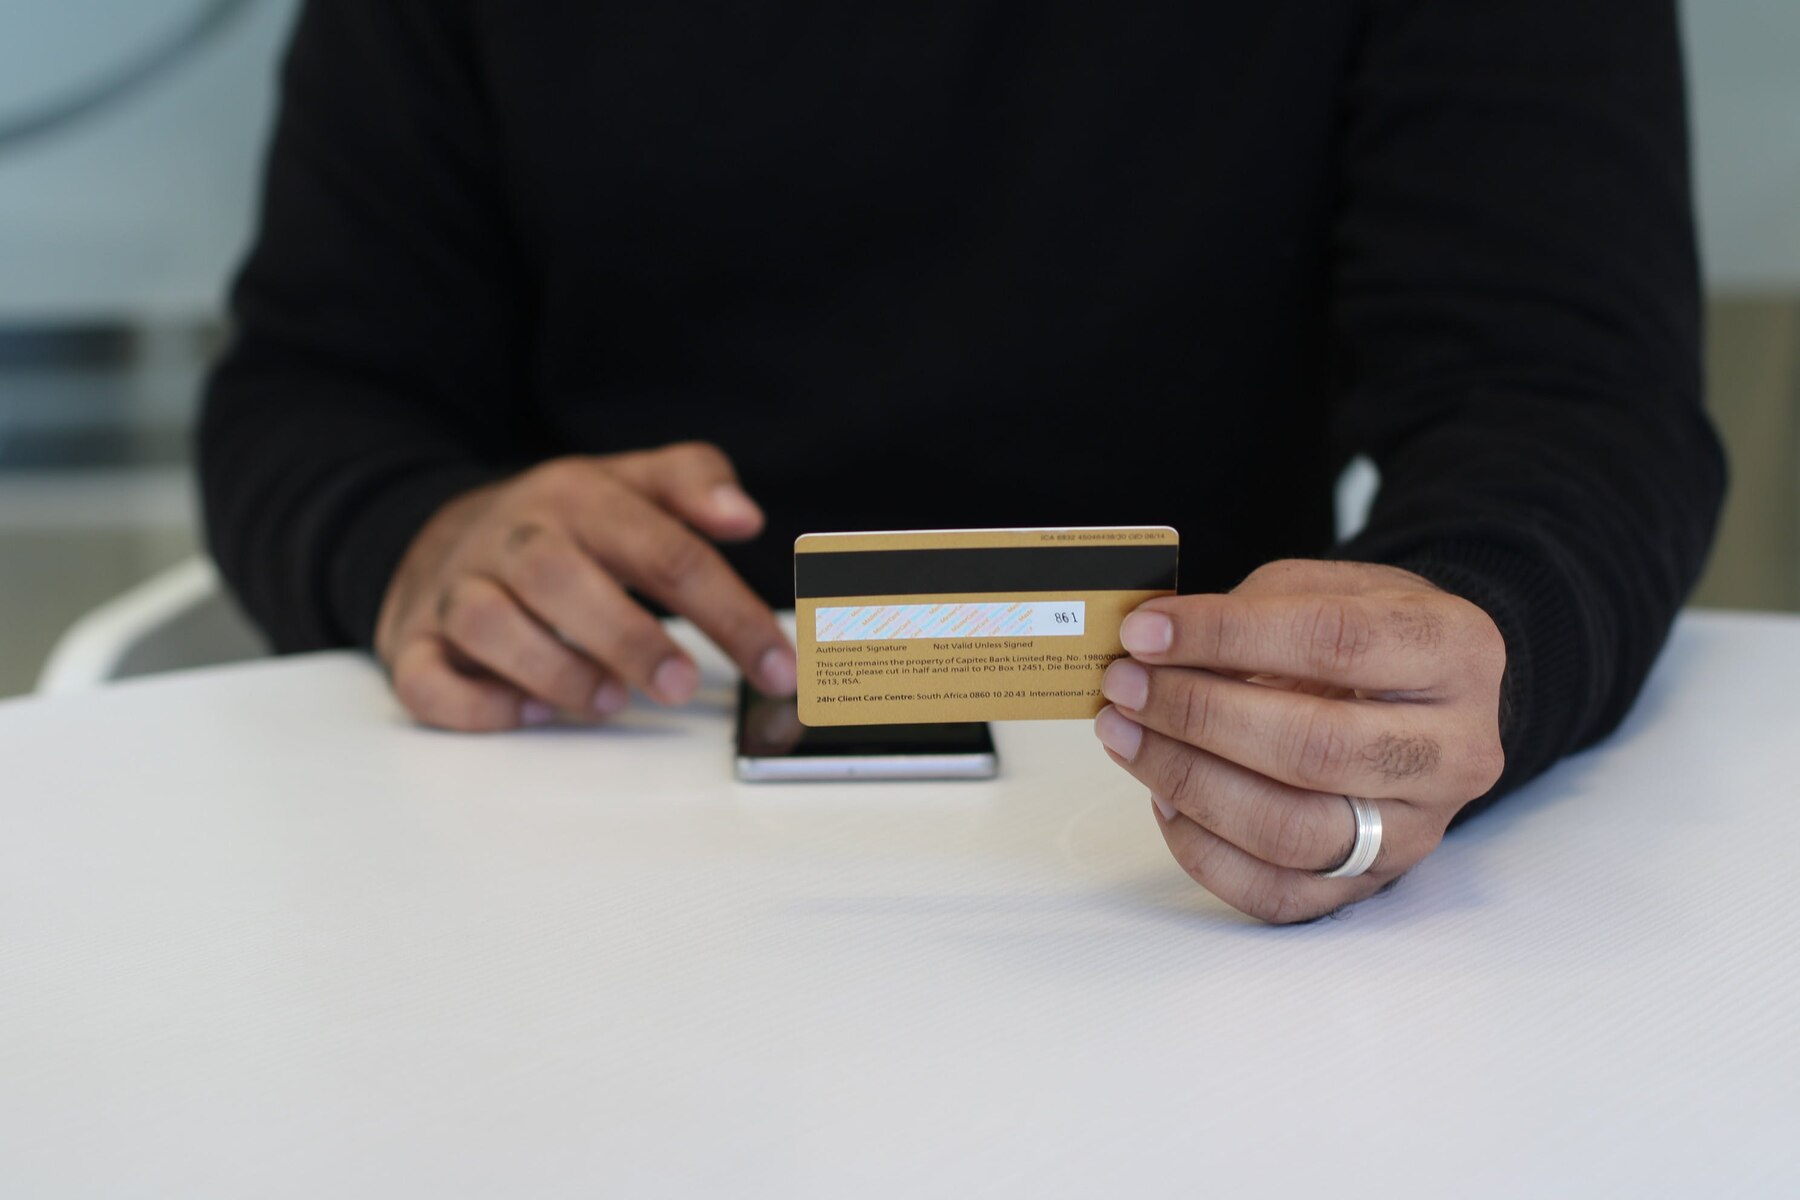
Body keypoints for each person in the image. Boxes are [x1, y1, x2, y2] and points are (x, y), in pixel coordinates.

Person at [198, 0, 1724, 923]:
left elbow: (1567, 392)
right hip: (578, 832)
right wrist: (426, 538)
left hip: (1181, 848)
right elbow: (317, 386)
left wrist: (1466, 649)